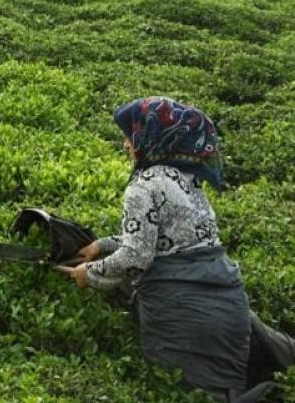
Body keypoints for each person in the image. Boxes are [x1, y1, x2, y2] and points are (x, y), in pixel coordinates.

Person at [58, 97, 295, 402]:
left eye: (130, 137)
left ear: (152, 138)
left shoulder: (142, 186)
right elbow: (169, 241)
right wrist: (101, 246)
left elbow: (136, 256)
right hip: (230, 307)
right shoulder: (186, 180)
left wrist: (88, 273)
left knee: (187, 395)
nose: (125, 145)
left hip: (185, 318)